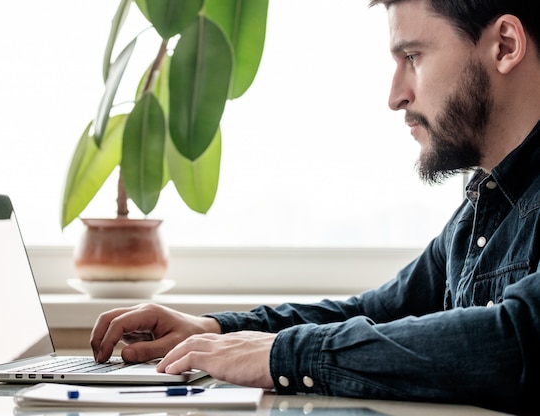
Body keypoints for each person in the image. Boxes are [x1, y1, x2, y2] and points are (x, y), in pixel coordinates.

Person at [90, 0, 540, 413]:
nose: (395, 95)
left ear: (504, 45)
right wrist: (213, 330)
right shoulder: (482, 210)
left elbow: (516, 340)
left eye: (413, 57)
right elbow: (378, 312)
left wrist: (281, 355)